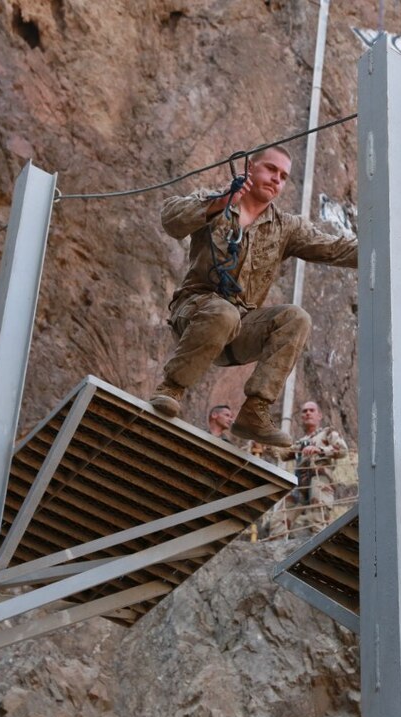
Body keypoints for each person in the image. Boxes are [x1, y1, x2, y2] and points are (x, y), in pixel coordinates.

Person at [149, 145, 357, 446]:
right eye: (271, 169)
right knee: (223, 313)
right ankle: (172, 388)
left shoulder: (286, 227)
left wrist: (385, 246)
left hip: (239, 330)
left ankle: (254, 412)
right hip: (194, 316)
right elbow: (171, 220)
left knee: (296, 318)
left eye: (283, 176)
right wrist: (220, 203)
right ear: (250, 168)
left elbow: (334, 249)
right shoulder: (215, 201)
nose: (276, 179)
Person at [281, 400, 349, 530]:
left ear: (319, 415)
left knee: (318, 519)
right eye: (304, 411)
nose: (308, 413)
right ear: (301, 417)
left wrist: (320, 450)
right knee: (279, 519)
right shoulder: (300, 442)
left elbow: (343, 450)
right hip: (301, 483)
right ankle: (277, 541)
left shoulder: (327, 433)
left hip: (319, 478)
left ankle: (319, 537)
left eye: (312, 410)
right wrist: (267, 444)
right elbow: (283, 454)